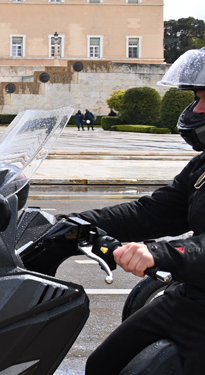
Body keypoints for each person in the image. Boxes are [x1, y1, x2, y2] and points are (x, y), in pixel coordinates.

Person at [74, 47, 205, 375]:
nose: (197, 109)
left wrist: (159, 253)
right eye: (198, 98)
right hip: (191, 297)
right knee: (103, 365)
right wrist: (75, 223)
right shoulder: (202, 168)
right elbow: (151, 212)